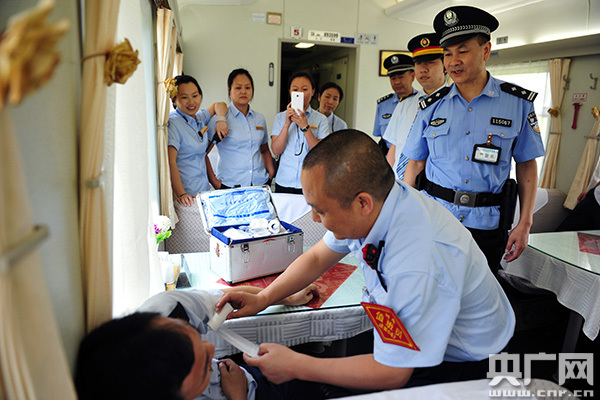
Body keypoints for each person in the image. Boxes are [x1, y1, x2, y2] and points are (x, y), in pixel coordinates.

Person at [216, 130, 515, 395]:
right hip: (408, 334)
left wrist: (296, 365)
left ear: (362, 203)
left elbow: (393, 372)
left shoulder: (416, 262)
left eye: (321, 210)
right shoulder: (381, 204)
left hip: (464, 359)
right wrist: (264, 298)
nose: (315, 218)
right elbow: (317, 257)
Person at [403, 6, 545, 276]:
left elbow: (527, 164)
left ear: (486, 50)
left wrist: (525, 223)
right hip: (435, 220)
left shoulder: (517, 103)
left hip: (487, 227)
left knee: (482, 297)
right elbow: (415, 164)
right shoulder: (431, 106)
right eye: (447, 54)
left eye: (463, 51)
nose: (453, 61)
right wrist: (403, 216)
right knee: (431, 292)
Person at [75, 286, 319, 400]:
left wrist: (287, 297)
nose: (210, 347)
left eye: (192, 335)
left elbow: (225, 298)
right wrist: (238, 397)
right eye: (204, 367)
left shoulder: (168, 309)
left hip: (251, 377)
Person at [384, 33, 447, 180]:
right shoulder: (405, 104)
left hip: (431, 185)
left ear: (445, 66)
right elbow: (394, 147)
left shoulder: (454, 104)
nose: (423, 69)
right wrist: (386, 182)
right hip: (399, 183)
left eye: (430, 62)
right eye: (418, 63)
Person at [207, 69, 275, 189]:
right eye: (238, 88)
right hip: (230, 185)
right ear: (229, 90)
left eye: (247, 88)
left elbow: (264, 149)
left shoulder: (259, 118)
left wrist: (270, 172)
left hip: (259, 183)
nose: (243, 91)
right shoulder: (220, 119)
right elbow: (202, 153)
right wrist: (214, 181)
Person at [167, 75, 229, 207]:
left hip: (203, 191)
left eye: (195, 96)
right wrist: (181, 194)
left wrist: (221, 119)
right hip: (187, 197)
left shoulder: (199, 117)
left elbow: (220, 105)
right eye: (184, 97)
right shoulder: (173, 123)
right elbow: (171, 162)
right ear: (174, 100)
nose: (191, 102)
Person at [271, 72, 329, 194]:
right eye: (295, 89)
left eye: (305, 89)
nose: (300, 93)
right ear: (290, 92)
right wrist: (287, 124)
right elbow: (276, 150)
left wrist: (305, 127)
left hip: (310, 182)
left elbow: (321, 153)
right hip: (284, 181)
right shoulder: (280, 117)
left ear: (312, 91)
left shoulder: (321, 119)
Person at [373, 54, 416, 156]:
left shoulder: (422, 102)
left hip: (412, 157)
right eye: (393, 78)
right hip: (388, 157)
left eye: (401, 77)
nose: (397, 82)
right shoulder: (383, 104)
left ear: (412, 76)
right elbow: (379, 134)